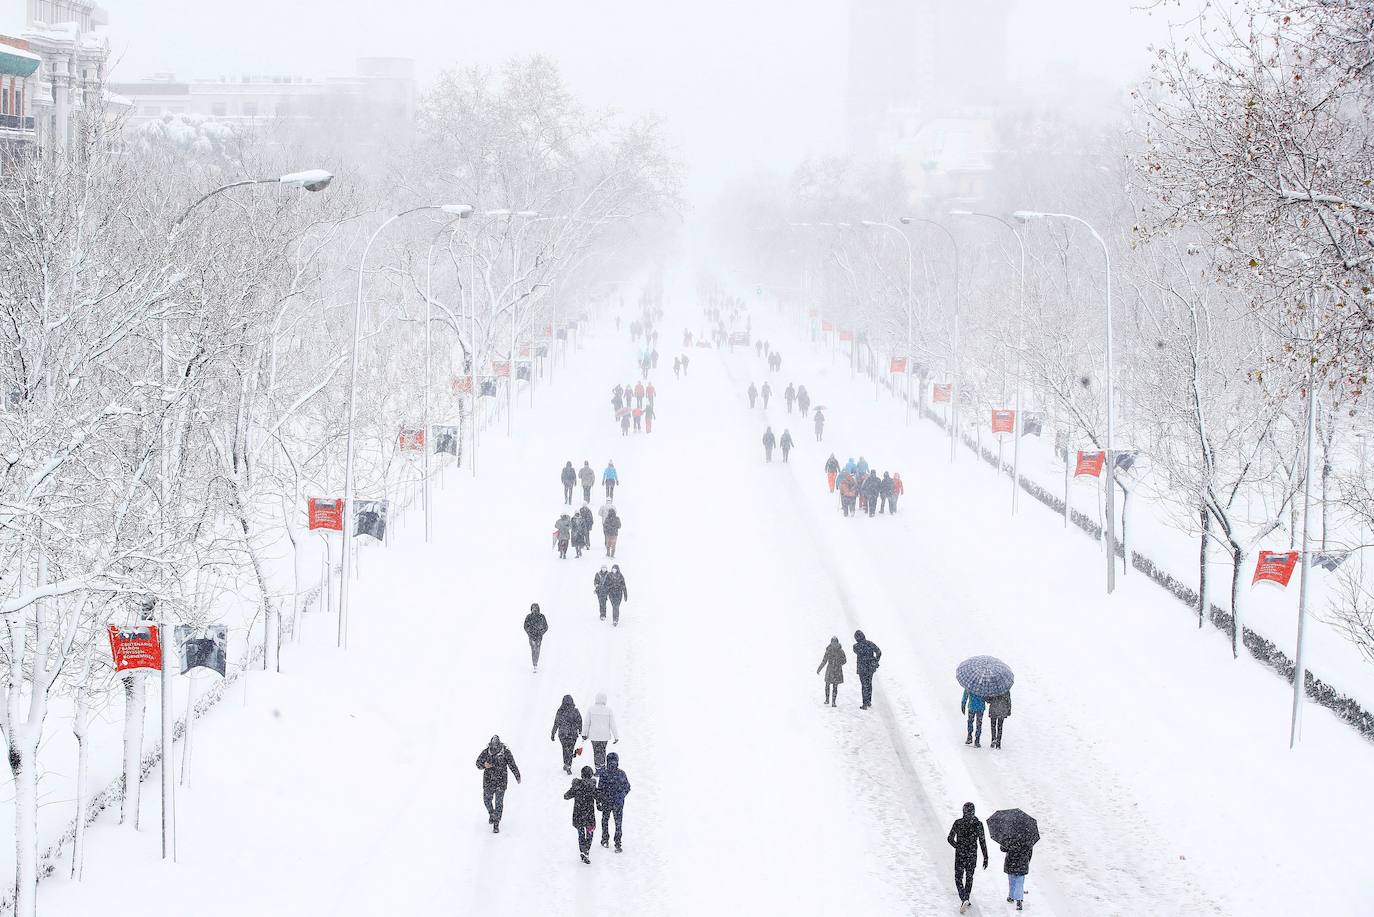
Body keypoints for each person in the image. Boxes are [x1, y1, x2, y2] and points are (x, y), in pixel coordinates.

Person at [948, 802, 990, 913]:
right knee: (969, 877)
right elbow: (982, 842)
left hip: (961, 855)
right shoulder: (978, 824)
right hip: (972, 855)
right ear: (974, 811)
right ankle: (966, 897)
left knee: (958, 877)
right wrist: (986, 857)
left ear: (963, 811)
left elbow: (950, 838)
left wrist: (958, 846)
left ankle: (964, 897)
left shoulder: (958, 823)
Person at [476, 735, 521, 833]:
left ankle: (496, 823)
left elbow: (512, 764)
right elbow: (477, 763)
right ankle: (492, 813)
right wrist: (484, 765)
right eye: (493, 747)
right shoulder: (486, 752)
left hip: (501, 781)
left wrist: (517, 775)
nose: (494, 749)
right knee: (487, 800)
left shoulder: (505, 752)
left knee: (499, 803)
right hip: (488, 781)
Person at [595, 751, 632, 853]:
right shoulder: (621, 773)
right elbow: (627, 787)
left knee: (605, 821)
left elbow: (599, 789)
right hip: (618, 802)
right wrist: (621, 795)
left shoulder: (603, 774)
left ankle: (605, 839)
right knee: (618, 822)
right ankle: (618, 843)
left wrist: (598, 802)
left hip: (606, 801)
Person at [565, 765, 598, 864]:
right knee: (590, 832)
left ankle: (583, 849)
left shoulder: (577, 786)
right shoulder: (592, 786)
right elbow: (598, 796)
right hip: (589, 814)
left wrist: (571, 791)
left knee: (581, 833)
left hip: (578, 814)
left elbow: (566, 796)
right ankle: (587, 849)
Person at [582, 692, 619, 768]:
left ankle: (598, 768)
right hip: (604, 736)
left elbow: (587, 723)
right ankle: (602, 767)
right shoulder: (608, 710)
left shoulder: (591, 709)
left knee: (596, 752)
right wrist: (616, 736)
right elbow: (612, 724)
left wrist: (584, 734)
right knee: (602, 751)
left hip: (594, 736)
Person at [551, 695, 582, 774]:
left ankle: (566, 763)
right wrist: (580, 730)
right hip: (572, 734)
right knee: (570, 749)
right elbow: (579, 721)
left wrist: (553, 733)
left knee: (565, 749)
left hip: (563, 734)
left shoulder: (560, 711)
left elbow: (556, 722)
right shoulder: (575, 711)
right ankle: (568, 765)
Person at [1001, 836, 1033, 910]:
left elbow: (1002, 848)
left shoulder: (1009, 834)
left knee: (1012, 880)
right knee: (1020, 881)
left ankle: (1011, 896)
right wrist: (1027, 860)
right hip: (1022, 861)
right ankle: (1019, 899)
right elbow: (1030, 851)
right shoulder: (1027, 835)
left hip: (1011, 860)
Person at [853, 630, 882, 709]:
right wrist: (875, 660)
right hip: (870, 668)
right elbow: (879, 652)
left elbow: (856, 651)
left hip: (862, 668)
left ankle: (864, 704)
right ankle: (868, 701)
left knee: (864, 685)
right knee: (869, 684)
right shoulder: (870, 644)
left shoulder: (856, 646)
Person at [816, 636, 847, 707]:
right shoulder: (839, 650)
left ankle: (829, 700)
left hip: (831, 669)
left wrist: (819, 669)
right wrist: (839, 664)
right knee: (834, 686)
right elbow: (844, 660)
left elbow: (824, 661)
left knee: (828, 685)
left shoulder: (830, 650)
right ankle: (832, 702)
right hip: (836, 670)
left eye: (834, 642)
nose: (834, 644)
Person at [523, 602, 548, 673]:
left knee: (537, 650)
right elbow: (525, 626)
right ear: (531, 609)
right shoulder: (528, 617)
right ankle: (534, 664)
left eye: (536, 608)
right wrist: (529, 633)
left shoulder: (542, 616)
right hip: (531, 636)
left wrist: (541, 633)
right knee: (533, 649)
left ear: (538, 609)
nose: (534, 610)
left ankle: (536, 663)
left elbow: (546, 627)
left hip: (539, 637)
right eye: (533, 608)